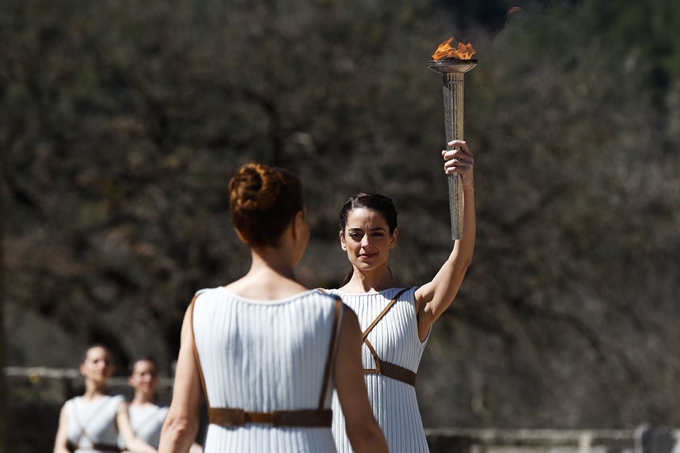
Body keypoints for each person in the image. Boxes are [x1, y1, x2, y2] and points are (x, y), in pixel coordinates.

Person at [159, 163, 387, 453]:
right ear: (298, 224)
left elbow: (179, 424)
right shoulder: (334, 315)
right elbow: (362, 431)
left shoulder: (201, 308)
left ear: (241, 230)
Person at [326, 140, 476, 453]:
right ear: (342, 240)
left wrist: (466, 184)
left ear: (393, 238)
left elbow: (460, 259)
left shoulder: (415, 304)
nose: (366, 243)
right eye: (356, 235)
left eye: (377, 233)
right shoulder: (317, 304)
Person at [53, 345, 158, 453]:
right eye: (95, 362)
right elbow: (60, 447)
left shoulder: (117, 403)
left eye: (107, 362)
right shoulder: (70, 407)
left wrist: (151, 451)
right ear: (83, 368)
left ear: (112, 369)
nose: (102, 366)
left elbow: (130, 440)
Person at [119, 359, 203, 452]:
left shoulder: (166, 411)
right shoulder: (120, 408)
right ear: (131, 379)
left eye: (152, 374)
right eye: (142, 374)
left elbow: (182, 440)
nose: (148, 378)